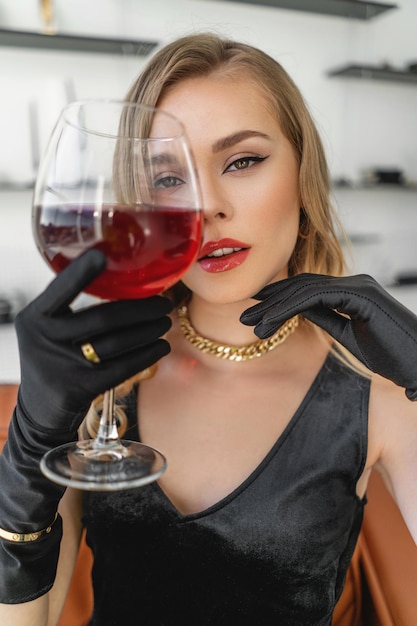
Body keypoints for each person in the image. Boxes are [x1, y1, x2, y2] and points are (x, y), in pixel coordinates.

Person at [0, 32, 416, 626]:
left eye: (242, 161)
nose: (208, 206)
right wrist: (26, 454)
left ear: (303, 176)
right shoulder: (101, 381)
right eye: (169, 178)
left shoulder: (378, 387)